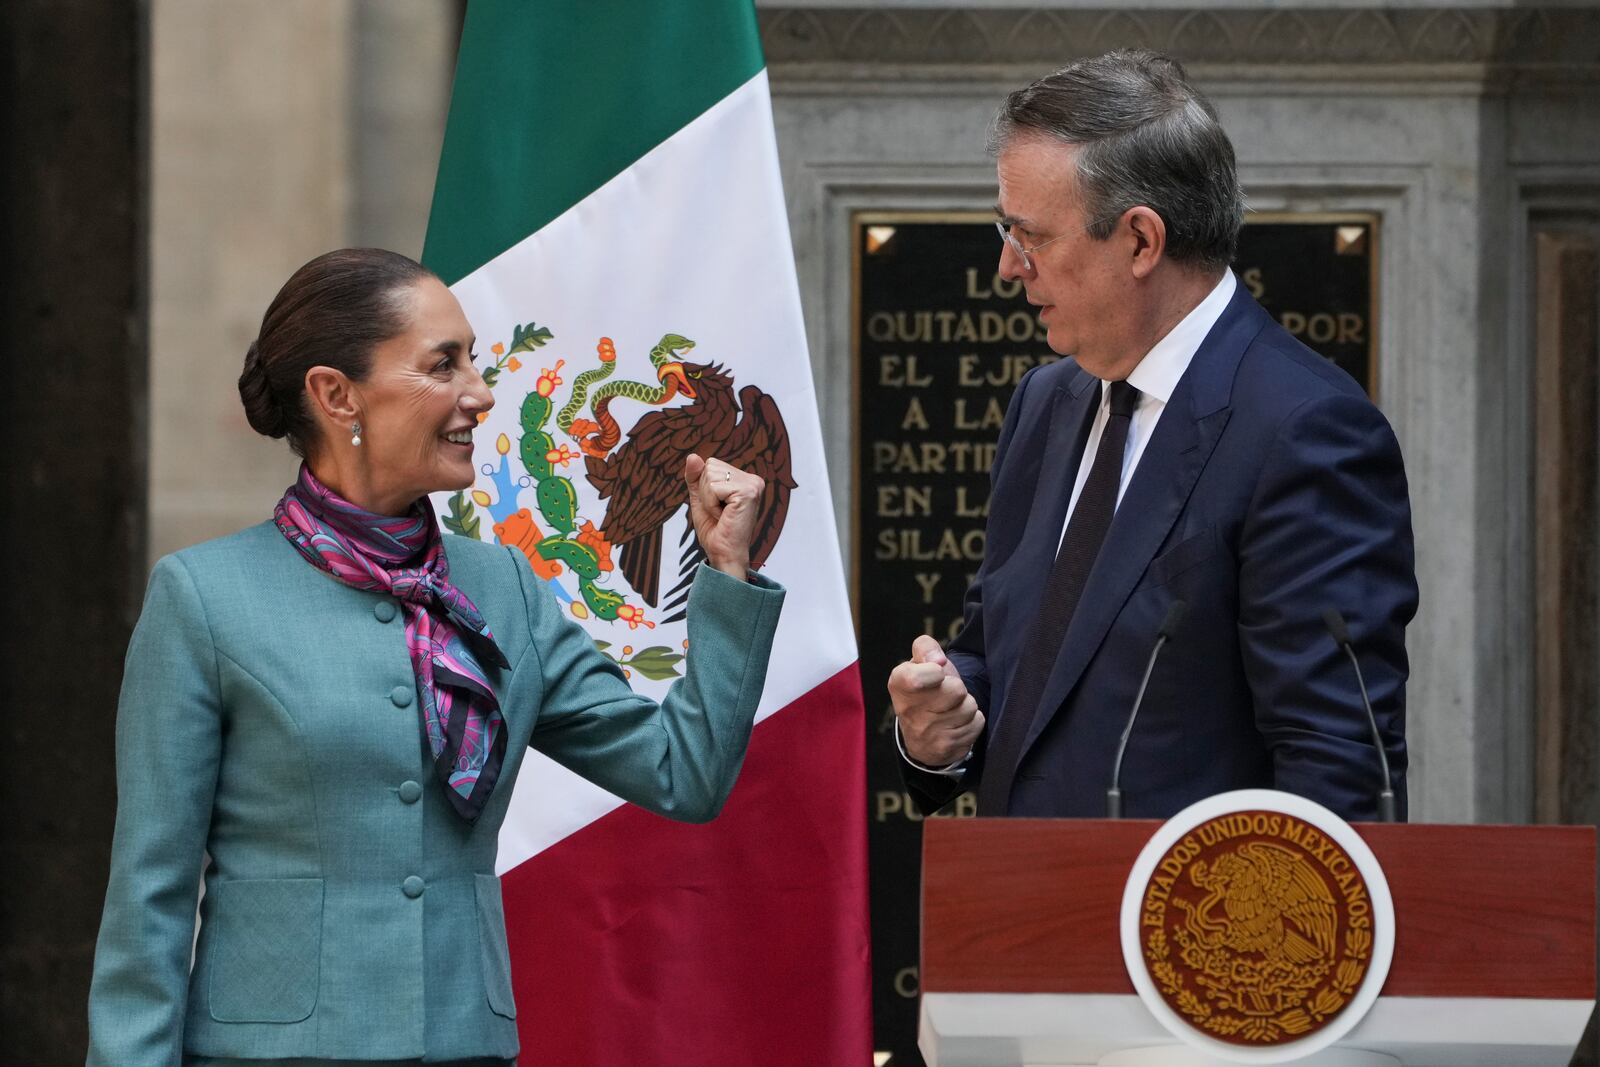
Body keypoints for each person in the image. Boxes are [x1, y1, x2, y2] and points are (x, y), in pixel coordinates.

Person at [86, 248, 785, 1066]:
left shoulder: (506, 588)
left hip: (461, 1044)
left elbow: (685, 773)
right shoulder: (203, 599)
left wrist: (727, 572)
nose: (481, 394)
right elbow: (150, 897)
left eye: (476, 362)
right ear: (335, 393)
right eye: (442, 365)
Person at [889, 51, 1417, 822]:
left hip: (1190, 929)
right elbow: (1009, 657)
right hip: (1016, 914)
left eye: (1028, 236)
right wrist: (944, 727)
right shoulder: (1047, 400)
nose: (1008, 267)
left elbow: (1335, 764)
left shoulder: (1305, 432)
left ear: (1140, 240)